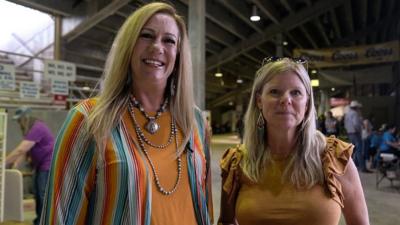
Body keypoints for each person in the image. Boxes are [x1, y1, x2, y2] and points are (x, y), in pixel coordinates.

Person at [40, 3, 212, 225]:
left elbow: (205, 204)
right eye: (146, 36)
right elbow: (60, 217)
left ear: (178, 54)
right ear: (128, 47)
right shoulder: (88, 120)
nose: (157, 47)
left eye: (169, 40)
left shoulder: (195, 122)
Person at [218, 57, 369, 225]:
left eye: (296, 92)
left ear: (306, 104)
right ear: (259, 101)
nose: (286, 100)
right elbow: (227, 222)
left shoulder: (335, 158)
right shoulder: (237, 163)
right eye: (275, 92)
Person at [6, 106, 54, 225]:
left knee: (42, 195)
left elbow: (21, 149)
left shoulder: (37, 127)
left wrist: (3, 162)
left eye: (19, 120)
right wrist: (16, 164)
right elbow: (26, 152)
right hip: (39, 165)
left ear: (25, 118)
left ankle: (46, 221)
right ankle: (39, 221)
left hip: (47, 164)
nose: (18, 123)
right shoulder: (30, 129)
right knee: (37, 194)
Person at [344, 100, 371, 173]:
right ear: (356, 107)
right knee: (359, 151)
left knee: (353, 151)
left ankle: (352, 167)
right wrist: (360, 129)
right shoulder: (355, 114)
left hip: (350, 133)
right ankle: (362, 168)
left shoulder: (347, 114)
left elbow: (345, 124)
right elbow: (356, 124)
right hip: (356, 133)